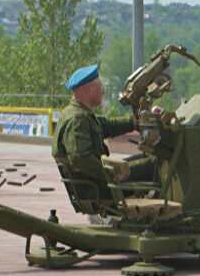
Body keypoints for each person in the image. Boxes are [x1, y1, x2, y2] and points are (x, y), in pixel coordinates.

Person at [52, 64, 156, 204]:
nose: (103, 91)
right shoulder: (78, 119)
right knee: (154, 164)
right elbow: (81, 159)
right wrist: (111, 174)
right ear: (89, 89)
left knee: (143, 158)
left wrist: (134, 122)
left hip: (95, 182)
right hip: (100, 188)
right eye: (100, 87)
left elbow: (106, 126)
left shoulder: (75, 113)